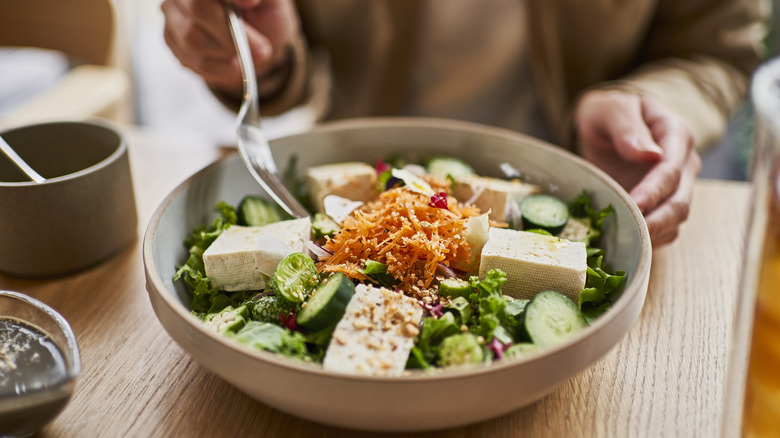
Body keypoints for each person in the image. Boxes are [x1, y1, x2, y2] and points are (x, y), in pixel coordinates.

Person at [161, 0, 768, 247]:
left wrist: (644, 101)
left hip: (578, 172)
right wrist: (257, 50)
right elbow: (286, 46)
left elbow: (716, 48)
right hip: (354, 160)